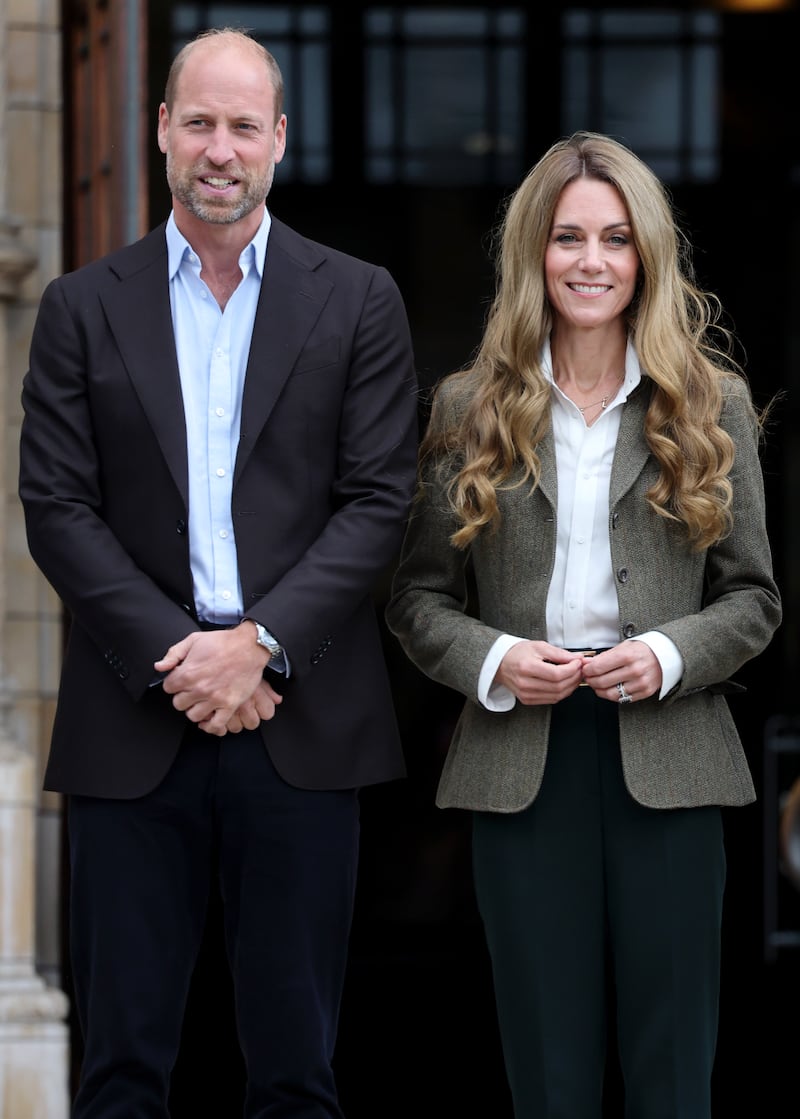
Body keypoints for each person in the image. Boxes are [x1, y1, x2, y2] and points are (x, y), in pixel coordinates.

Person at [19, 26, 418, 1119]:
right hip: (132, 723)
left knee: (295, 1076)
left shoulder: (358, 300)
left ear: (279, 140)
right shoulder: (81, 307)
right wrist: (184, 660)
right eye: (198, 121)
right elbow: (56, 507)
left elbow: (379, 501)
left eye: (244, 125)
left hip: (300, 720)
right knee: (119, 1074)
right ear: (159, 131)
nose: (220, 148)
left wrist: (257, 645)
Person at [385, 130, 781, 1118]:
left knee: (671, 1073)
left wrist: (660, 653)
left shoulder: (710, 403)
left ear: (644, 253)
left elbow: (753, 599)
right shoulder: (471, 406)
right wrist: (495, 659)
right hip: (523, 765)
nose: (590, 261)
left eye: (613, 238)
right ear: (535, 254)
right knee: (546, 1075)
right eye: (567, 238)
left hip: (673, 759)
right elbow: (417, 599)